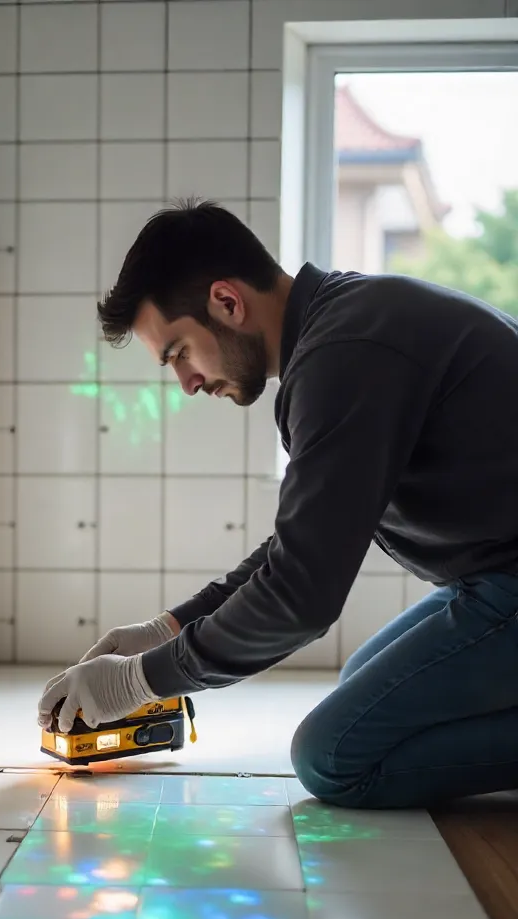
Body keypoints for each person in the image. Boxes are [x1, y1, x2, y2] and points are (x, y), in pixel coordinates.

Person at [38, 198, 518, 810]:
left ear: (227, 301)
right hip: (493, 574)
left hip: (506, 577)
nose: (186, 383)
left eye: (179, 352)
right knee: (361, 685)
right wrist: (168, 628)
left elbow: (300, 595)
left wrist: (140, 681)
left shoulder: (345, 356)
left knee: (333, 755)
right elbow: (302, 544)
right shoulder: (341, 329)